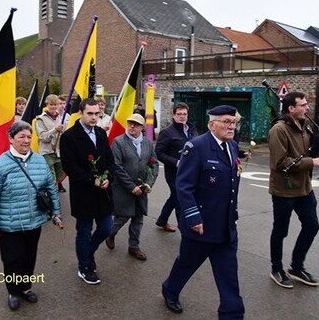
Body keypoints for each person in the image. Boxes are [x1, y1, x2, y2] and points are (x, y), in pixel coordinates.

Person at [162, 105, 245, 319]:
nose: (231, 126)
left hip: (225, 226)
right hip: (201, 226)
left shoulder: (233, 146)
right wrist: (193, 217)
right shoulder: (196, 147)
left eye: (233, 122)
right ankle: (170, 290)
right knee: (186, 264)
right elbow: (183, 185)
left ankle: (232, 314)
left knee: (229, 277)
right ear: (212, 124)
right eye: (226, 122)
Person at [0, 121, 61, 311]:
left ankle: (25, 288)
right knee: (12, 260)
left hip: (34, 222)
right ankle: (13, 291)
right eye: (21, 137)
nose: (26, 141)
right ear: (10, 138)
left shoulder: (40, 161)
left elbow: (51, 188)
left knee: (29, 257)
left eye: (28, 136)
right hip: (10, 224)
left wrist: (56, 212)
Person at [268, 91, 319, 289]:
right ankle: (276, 268)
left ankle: (296, 267)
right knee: (280, 231)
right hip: (284, 190)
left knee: (312, 226)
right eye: (303, 105)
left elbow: (309, 151)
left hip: (304, 188)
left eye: (306, 104)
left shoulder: (304, 127)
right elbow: (280, 162)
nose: (307, 108)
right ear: (291, 108)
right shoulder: (279, 130)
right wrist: (312, 161)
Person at [60, 98, 114, 285]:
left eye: (96, 114)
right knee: (83, 231)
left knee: (106, 228)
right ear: (81, 113)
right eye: (89, 113)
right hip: (83, 193)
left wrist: (109, 178)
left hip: (103, 192)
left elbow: (109, 159)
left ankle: (87, 252)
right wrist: (92, 180)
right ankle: (84, 266)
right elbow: (69, 166)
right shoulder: (69, 137)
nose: (93, 117)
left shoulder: (100, 133)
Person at [105, 113, 159, 260]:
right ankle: (110, 234)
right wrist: (131, 187)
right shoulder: (119, 142)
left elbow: (153, 164)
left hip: (141, 189)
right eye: (130, 123)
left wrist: (148, 183)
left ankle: (133, 247)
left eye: (135, 124)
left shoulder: (147, 143)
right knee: (122, 217)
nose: (132, 126)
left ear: (142, 127)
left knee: (138, 218)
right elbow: (117, 166)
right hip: (123, 188)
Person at [155, 102, 197, 232]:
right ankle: (185, 232)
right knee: (180, 200)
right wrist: (176, 162)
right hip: (174, 174)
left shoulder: (192, 130)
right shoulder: (167, 133)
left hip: (190, 172)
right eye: (179, 114)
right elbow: (159, 153)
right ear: (174, 116)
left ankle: (162, 220)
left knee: (174, 197)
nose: (182, 117)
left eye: (184, 114)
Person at [36, 94, 66, 190]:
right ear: (47, 105)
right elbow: (43, 137)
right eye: (51, 104)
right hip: (47, 152)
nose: (53, 107)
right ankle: (50, 197)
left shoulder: (61, 118)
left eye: (55, 104)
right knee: (51, 177)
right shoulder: (40, 119)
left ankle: (51, 191)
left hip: (59, 152)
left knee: (60, 176)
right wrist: (55, 130)